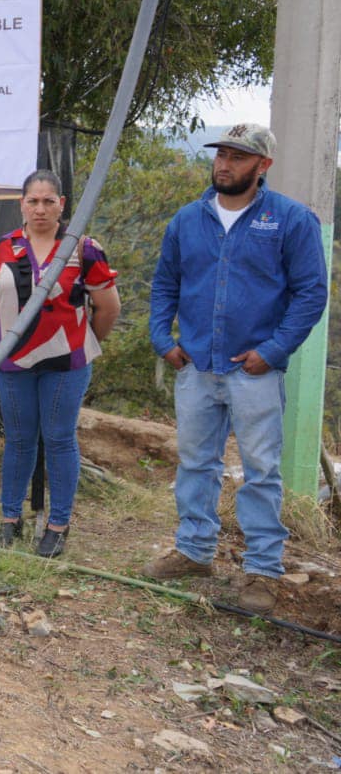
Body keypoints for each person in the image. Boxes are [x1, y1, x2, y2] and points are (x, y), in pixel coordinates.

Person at [143, 123, 327, 614]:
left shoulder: (289, 219)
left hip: (255, 370)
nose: (224, 164)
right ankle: (195, 550)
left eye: (238, 157)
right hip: (197, 363)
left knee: (261, 470)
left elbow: (311, 293)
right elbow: (165, 285)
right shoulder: (188, 219)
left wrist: (273, 350)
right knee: (195, 462)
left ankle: (263, 571)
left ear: (262, 166)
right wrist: (164, 340)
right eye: (221, 154)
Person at [0, 169, 121, 557]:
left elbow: (108, 308)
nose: (40, 208)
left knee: (59, 438)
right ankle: (10, 519)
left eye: (48, 201)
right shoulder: (2, 249)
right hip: (13, 361)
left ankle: (58, 525)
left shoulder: (82, 248)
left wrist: (82, 340)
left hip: (67, 361)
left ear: (61, 204)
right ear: (21, 205)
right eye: (32, 201)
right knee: (19, 439)